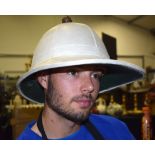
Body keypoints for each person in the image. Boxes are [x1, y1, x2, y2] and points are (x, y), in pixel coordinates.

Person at [17, 17, 144, 140]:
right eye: (72, 72)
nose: (90, 86)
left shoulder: (116, 131)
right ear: (44, 78)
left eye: (95, 75)